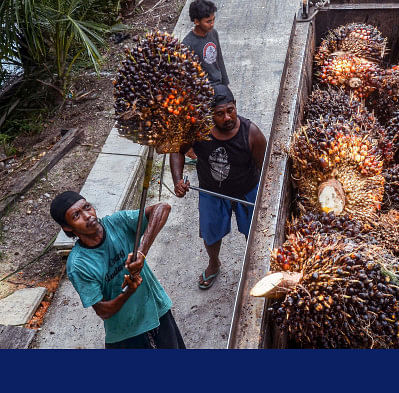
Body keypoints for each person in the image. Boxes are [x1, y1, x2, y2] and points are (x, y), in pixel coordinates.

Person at [50, 191, 185, 349]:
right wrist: (128, 292)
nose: (87, 215)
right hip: (126, 333)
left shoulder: (117, 222)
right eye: (76, 216)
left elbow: (163, 208)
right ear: (67, 227)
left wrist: (141, 252)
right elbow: (103, 311)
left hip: (156, 310)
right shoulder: (79, 265)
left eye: (87, 207)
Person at [170, 85, 267, 289]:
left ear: (235, 106)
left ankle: (256, 266)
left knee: (255, 233)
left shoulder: (252, 134)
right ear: (209, 115)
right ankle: (214, 264)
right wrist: (177, 179)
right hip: (211, 193)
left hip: (247, 191)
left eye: (230, 110)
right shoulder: (199, 131)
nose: (227, 117)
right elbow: (177, 151)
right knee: (210, 234)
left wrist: (264, 198)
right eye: (219, 114)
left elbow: (267, 169)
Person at [183, 0, 229, 87]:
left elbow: (219, 59)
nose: (212, 24)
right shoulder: (187, 44)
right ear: (196, 22)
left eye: (213, 20)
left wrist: (225, 83)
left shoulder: (213, 33)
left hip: (218, 83)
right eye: (208, 21)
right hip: (204, 88)